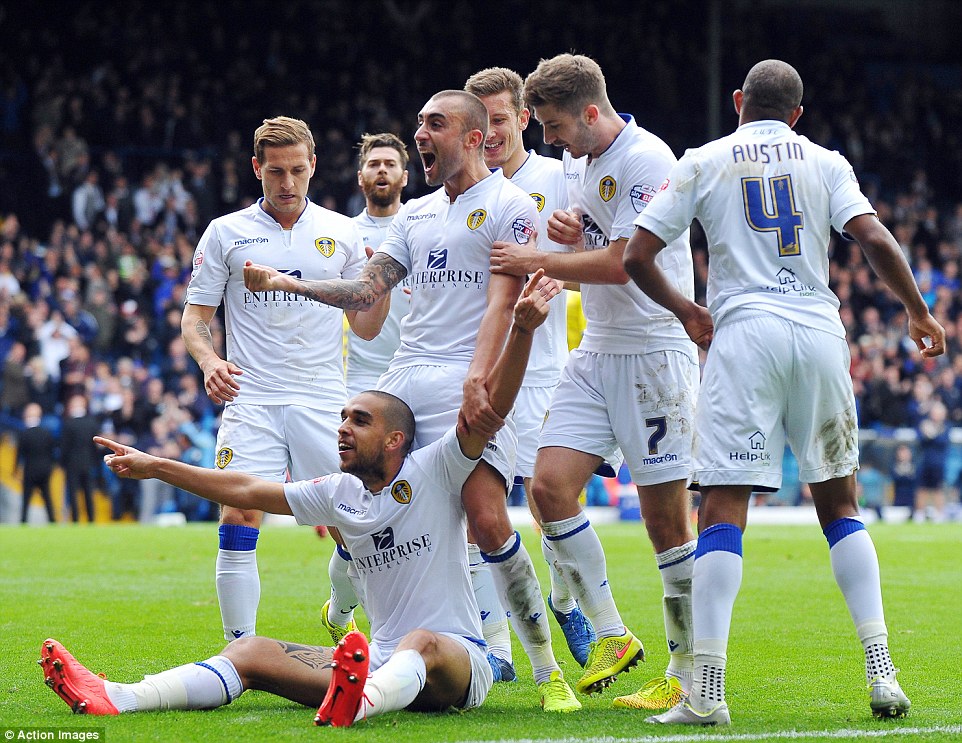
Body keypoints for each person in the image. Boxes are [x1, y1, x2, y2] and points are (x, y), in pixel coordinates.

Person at [40, 271, 551, 727]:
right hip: (376, 664)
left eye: (360, 421)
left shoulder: (436, 468)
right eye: (343, 418)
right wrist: (155, 466)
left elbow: (490, 410)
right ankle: (118, 696)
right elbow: (244, 488)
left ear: (396, 440)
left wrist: (523, 330)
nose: (343, 429)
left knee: (421, 641)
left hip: (459, 664)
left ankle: (359, 700)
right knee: (251, 651)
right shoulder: (338, 492)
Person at [623, 59, 945, 724]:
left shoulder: (704, 158)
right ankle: (882, 671)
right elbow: (873, 236)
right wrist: (916, 308)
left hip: (745, 336)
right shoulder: (826, 160)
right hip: (820, 334)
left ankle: (707, 691)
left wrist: (688, 312)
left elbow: (634, 256)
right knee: (840, 501)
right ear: (797, 114)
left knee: (722, 504)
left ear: (739, 101)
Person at [243, 90, 580, 711]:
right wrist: (289, 282)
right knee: (356, 505)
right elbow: (365, 292)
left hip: (463, 376)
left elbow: (502, 304)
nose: (419, 133)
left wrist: (478, 379)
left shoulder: (511, 205)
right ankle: (353, 622)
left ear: (475, 137)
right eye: (419, 124)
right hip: (402, 383)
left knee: (484, 520)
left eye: (434, 124)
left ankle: (545, 671)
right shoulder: (416, 215)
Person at [491, 53, 699, 708]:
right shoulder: (580, 163)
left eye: (553, 126)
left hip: (655, 353)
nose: (548, 141)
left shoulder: (649, 160)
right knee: (548, 486)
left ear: (589, 111)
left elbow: (627, 261)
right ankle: (611, 631)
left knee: (667, 524)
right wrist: (569, 229)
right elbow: (596, 239)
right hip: (598, 349)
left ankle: (688, 673)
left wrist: (542, 255)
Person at [181, 116, 388, 642]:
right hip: (252, 398)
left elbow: (366, 328)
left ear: (314, 166)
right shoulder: (226, 233)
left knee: (353, 524)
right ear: (257, 169)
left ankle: (344, 610)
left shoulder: (342, 232)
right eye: (276, 171)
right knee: (239, 513)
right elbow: (196, 318)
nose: (288, 182)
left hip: (322, 399)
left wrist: (379, 285)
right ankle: (239, 650)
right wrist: (210, 363)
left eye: (298, 170)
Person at [464, 66, 595, 672]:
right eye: (480, 122)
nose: (489, 134)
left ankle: (566, 603)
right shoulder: (467, 192)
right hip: (489, 368)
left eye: (499, 120)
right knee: (478, 510)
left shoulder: (559, 176)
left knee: (550, 504)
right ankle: (493, 648)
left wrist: (572, 238)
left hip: (545, 369)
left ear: (522, 118)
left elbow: (589, 252)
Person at [322, 132, 412, 646]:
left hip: (412, 381)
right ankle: (340, 610)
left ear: (405, 175)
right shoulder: (343, 236)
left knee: (414, 507)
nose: (381, 171)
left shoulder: (424, 225)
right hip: (356, 381)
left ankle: (376, 617)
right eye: (373, 164)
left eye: (390, 164)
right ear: (361, 177)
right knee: (359, 514)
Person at [59, 393, 103, 523]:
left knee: (73, 493)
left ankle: (76, 519)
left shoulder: (68, 424)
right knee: (88, 492)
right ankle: (91, 519)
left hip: (72, 464)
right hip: (88, 463)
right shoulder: (92, 423)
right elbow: (96, 446)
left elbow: (64, 447)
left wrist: (62, 463)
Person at [18, 402, 57, 523]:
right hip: (45, 469)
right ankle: (52, 521)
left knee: (26, 499)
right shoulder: (47, 433)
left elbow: (20, 454)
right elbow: (53, 452)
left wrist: (16, 469)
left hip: (30, 470)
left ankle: (23, 521)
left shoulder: (24, 434)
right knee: (47, 497)